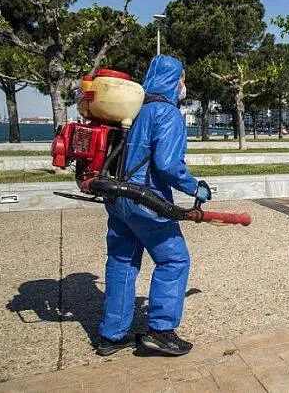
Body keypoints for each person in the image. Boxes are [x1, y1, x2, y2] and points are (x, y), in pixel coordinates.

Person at [97, 55, 211, 357]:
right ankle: (160, 331)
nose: (184, 85)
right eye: (183, 79)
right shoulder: (167, 114)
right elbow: (168, 166)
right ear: (174, 80)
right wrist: (195, 187)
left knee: (122, 261)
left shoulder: (132, 111)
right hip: (146, 202)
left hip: (117, 198)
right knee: (174, 261)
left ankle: (112, 334)